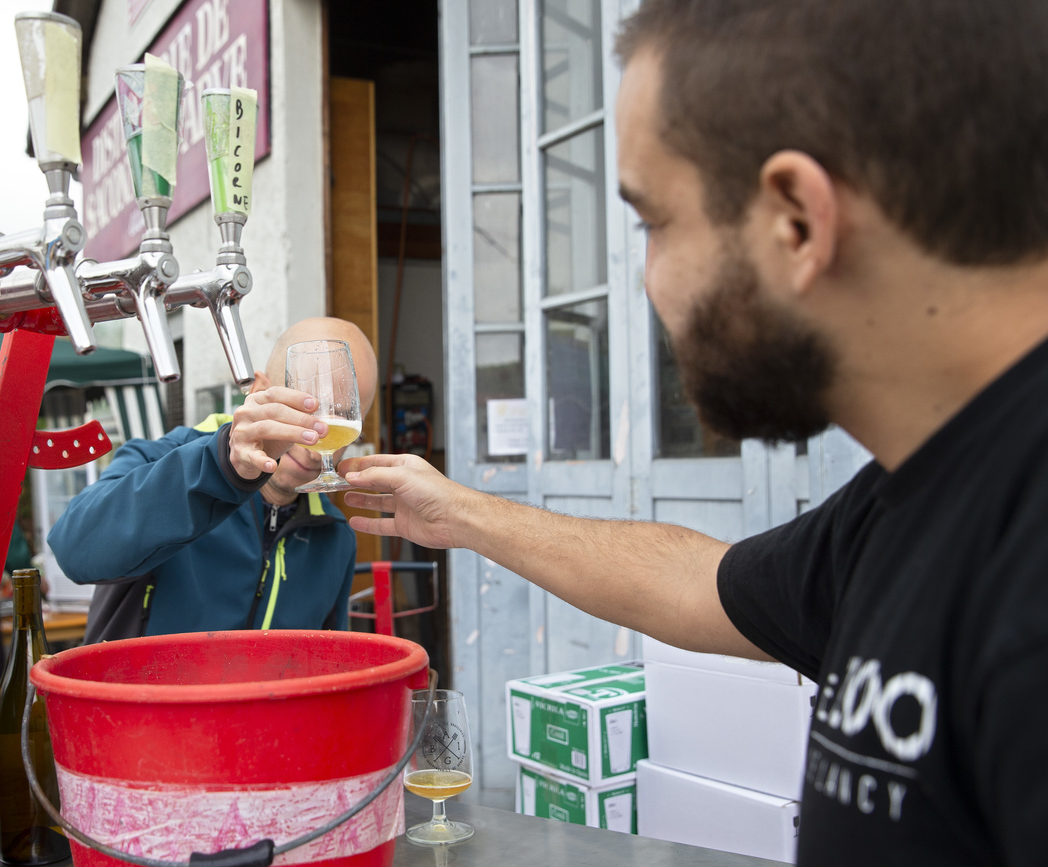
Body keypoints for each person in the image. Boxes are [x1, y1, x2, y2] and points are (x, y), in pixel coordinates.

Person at [336, 2, 1048, 864]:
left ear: (796, 219)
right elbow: (702, 582)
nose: (645, 284)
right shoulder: (908, 501)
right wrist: (456, 514)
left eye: (654, 223)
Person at [47, 317, 378, 636]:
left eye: (345, 414)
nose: (313, 443)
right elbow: (73, 550)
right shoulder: (158, 459)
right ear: (260, 390)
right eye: (307, 410)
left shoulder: (334, 536)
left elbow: (326, 665)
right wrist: (224, 469)